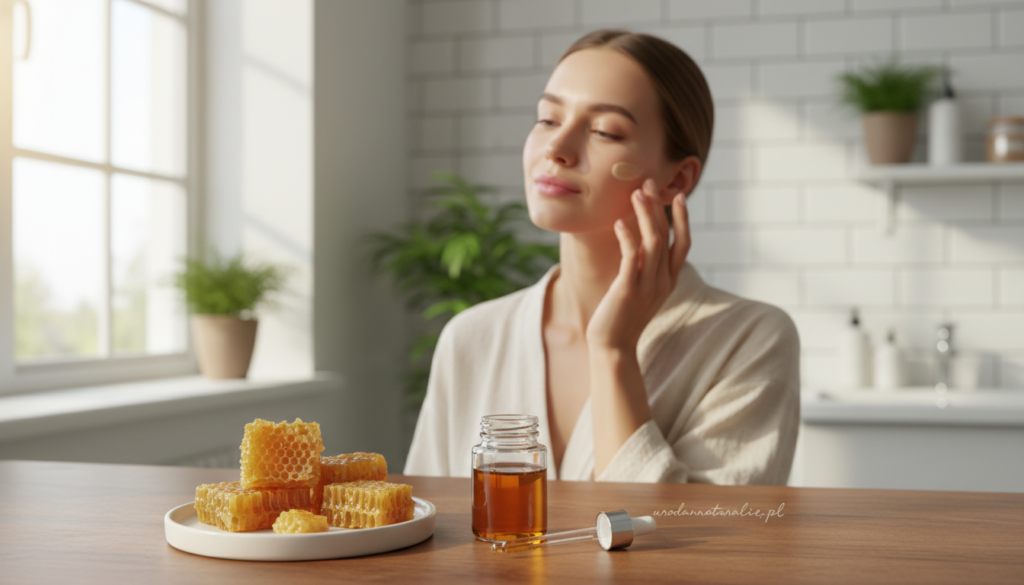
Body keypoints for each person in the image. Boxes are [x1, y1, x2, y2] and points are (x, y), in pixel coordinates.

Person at [403, 30, 800, 484]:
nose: (556, 149)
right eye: (548, 120)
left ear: (676, 179)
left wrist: (614, 351)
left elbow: (698, 547)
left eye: (605, 131)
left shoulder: (749, 340)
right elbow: (430, 535)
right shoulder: (472, 338)